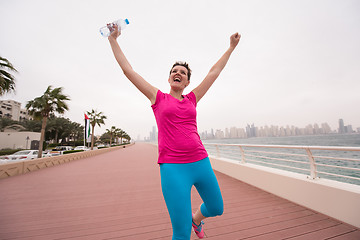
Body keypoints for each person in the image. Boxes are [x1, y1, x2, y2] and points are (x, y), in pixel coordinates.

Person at [107, 23, 240, 240]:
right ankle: (189, 225)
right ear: (169, 78)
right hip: (173, 168)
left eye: (183, 73)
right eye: (174, 72)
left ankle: (196, 220)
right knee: (180, 232)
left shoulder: (192, 99)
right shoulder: (157, 97)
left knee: (217, 207)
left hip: (200, 161)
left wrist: (231, 47)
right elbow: (128, 70)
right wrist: (113, 40)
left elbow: (214, 72)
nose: (178, 73)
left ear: (187, 82)